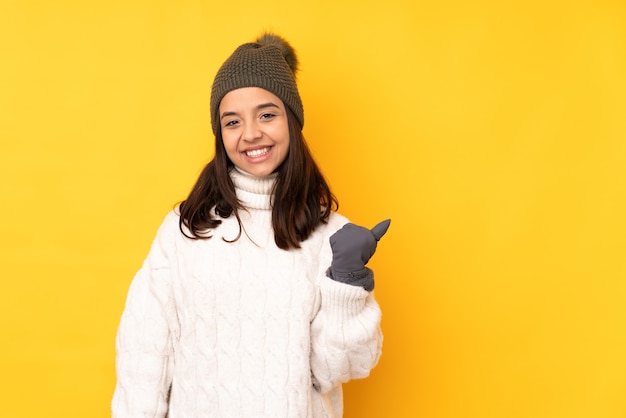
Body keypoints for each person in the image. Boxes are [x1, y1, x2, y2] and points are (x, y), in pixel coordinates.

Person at [112, 32, 390, 417]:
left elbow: (337, 370)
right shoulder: (186, 228)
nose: (251, 133)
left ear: (292, 121)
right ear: (219, 133)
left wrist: (347, 283)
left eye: (267, 114)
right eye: (232, 121)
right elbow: (143, 355)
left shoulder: (330, 235)